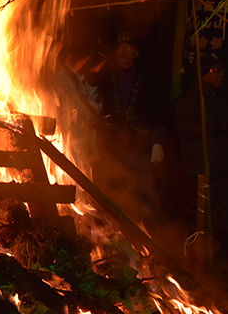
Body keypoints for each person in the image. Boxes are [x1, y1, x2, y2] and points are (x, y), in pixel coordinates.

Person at [92, 33, 165, 225]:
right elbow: (94, 110)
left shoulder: (148, 79)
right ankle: (116, 236)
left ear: (136, 52)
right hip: (111, 146)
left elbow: (159, 112)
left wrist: (158, 142)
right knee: (113, 191)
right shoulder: (105, 80)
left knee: (143, 191)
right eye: (119, 48)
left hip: (138, 146)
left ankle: (152, 239)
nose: (123, 52)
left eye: (128, 48)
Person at [174, 53, 228, 246]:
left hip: (222, 167)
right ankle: (197, 255)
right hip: (202, 169)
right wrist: (212, 126)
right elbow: (185, 127)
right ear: (203, 73)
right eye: (216, 69)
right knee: (200, 217)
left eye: (221, 69)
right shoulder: (189, 100)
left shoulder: (220, 98)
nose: (221, 73)